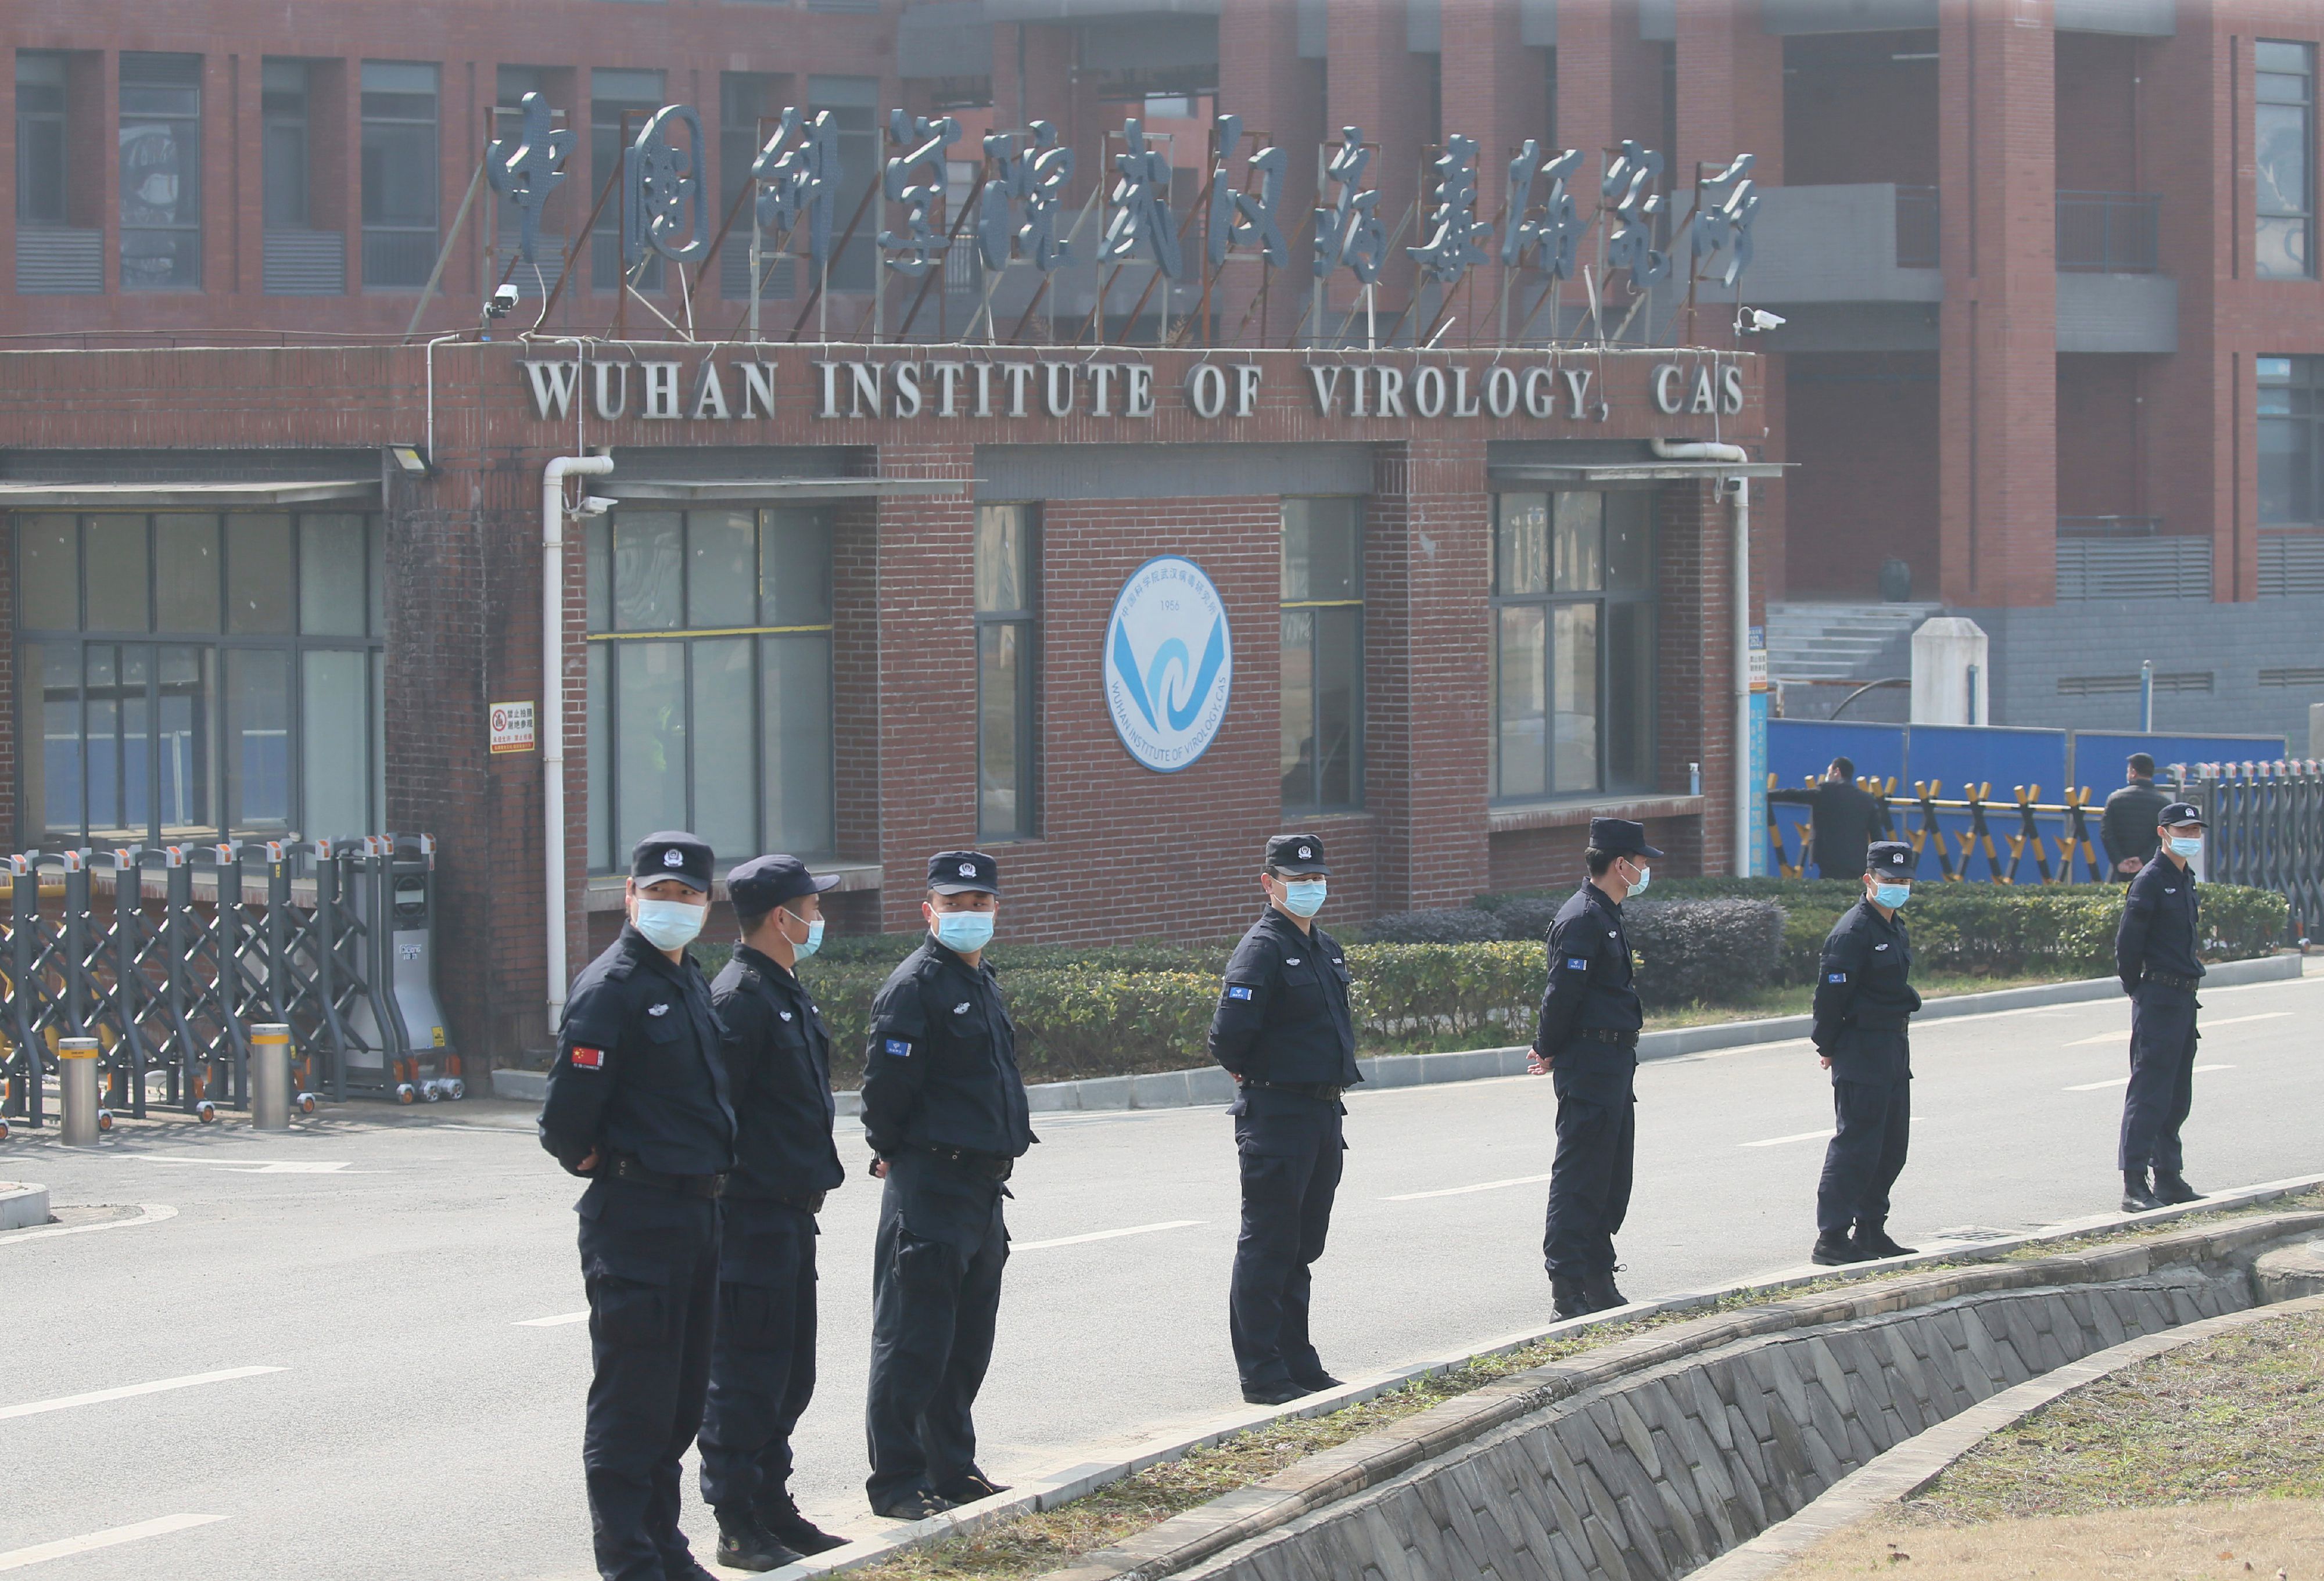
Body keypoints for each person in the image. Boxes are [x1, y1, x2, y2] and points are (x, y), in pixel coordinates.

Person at [537, 832, 736, 1581]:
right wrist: (590, 1155)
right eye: (658, 892)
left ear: (707, 903)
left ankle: (663, 1543)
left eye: (687, 895)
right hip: (638, 1216)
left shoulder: (687, 979)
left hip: (697, 1215)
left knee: (681, 1402)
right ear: (630, 893)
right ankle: (628, 1560)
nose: (672, 905)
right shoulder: (611, 985)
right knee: (634, 1402)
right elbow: (566, 1118)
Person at [860, 850, 1036, 1521]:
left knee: (965, 1339)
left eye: (980, 904)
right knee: (912, 1340)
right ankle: (898, 1482)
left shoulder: (979, 979)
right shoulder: (914, 986)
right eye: (955, 904)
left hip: (982, 1188)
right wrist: (893, 1151)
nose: (969, 914)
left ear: (996, 909)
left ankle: (951, 1466)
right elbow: (885, 1092)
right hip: (931, 1182)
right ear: (928, 910)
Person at [698, 855, 849, 1570]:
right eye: (811, 908)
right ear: (779, 917)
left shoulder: (783, 990)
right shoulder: (739, 1000)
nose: (818, 919)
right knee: (745, 1374)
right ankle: (736, 1520)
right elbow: (716, 1116)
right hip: (750, 1217)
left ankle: (771, 1503)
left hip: (791, 1213)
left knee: (790, 1373)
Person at [1209, 833, 1361, 1407]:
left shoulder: (1324, 947)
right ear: (1268, 884)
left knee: (1302, 1244)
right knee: (1268, 1244)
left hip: (1322, 1111)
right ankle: (1262, 1370)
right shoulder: (1262, 949)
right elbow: (1228, 1038)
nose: (1310, 888)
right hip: (1277, 1113)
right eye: (1297, 881)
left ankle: (1297, 1358)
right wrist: (1257, 1075)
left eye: (1317, 878)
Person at [1531, 817, 1659, 1321]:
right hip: (1590, 1061)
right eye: (1641, 860)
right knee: (1581, 1175)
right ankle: (1567, 1284)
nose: (1646, 868)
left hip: (1613, 1062)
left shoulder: (1607, 912)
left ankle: (1598, 1274)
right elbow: (1562, 993)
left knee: (1610, 1175)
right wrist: (1547, 1047)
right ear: (1619, 865)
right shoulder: (1583, 917)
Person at [1808, 841, 1925, 1266]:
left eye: (1904, 880)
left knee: (1891, 1145)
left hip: (1892, 1046)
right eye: (1889, 880)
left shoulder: (1893, 926)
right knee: (1856, 1145)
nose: (1898, 887)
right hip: (1861, 1047)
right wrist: (1828, 1045)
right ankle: (1832, 1238)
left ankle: (1871, 1229)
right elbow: (1829, 998)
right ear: (1869, 880)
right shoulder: (1853, 932)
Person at [2114, 802, 2211, 1213]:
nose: (2190, 838)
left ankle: (2169, 1177)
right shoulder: (2151, 880)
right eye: (2182, 831)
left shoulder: (2184, 879)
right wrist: (2140, 989)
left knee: (2176, 1095)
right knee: (2149, 1092)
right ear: (2163, 833)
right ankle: (2135, 1183)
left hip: (2184, 997)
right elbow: (2127, 945)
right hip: (2158, 997)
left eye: (2195, 832)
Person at [1808, 757, 1889, 882]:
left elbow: (1795, 795)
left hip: (1830, 860)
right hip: (1857, 861)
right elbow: (1877, 836)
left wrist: (1768, 794)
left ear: (1837, 772)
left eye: (1828, 772)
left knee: (1831, 894)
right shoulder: (1866, 799)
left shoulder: (1826, 791)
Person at [2101, 753, 2171, 881]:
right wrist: (2143, 860)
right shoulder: (2164, 803)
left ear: (2133, 772)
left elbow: (2107, 833)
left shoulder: (2115, 799)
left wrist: (2119, 861)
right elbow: (2166, 836)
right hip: (2151, 870)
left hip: (2121, 871)